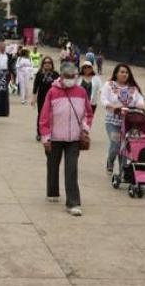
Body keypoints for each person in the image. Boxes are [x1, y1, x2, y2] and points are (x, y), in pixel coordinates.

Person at [39, 62, 93, 216]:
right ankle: (52, 191)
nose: (70, 79)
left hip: (74, 138)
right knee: (52, 164)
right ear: (61, 76)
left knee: (71, 169)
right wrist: (46, 137)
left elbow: (88, 114)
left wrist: (85, 129)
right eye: (67, 76)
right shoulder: (52, 92)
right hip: (54, 137)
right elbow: (44, 116)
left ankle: (73, 203)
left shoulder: (81, 91)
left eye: (73, 76)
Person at [101, 63, 145, 175]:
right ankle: (110, 161)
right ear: (116, 73)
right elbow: (103, 99)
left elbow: (140, 99)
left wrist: (140, 104)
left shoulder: (133, 88)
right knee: (116, 144)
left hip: (128, 122)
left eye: (126, 72)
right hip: (112, 121)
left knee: (125, 147)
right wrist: (112, 106)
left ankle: (122, 171)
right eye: (122, 72)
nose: (124, 74)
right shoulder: (109, 84)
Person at [33, 57, 60, 141]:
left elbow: (60, 86)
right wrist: (33, 98)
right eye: (45, 62)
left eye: (49, 62)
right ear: (43, 64)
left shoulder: (56, 74)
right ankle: (39, 133)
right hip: (41, 97)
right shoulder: (39, 74)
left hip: (53, 98)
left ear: (52, 64)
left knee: (52, 115)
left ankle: (51, 132)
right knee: (41, 115)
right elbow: (35, 86)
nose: (47, 64)